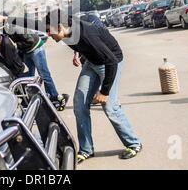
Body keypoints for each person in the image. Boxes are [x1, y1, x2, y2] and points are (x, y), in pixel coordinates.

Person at [45, 9, 142, 163]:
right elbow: (31, 23)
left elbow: (111, 62)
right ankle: (86, 149)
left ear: (60, 26)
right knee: (79, 104)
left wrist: (104, 92)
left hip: (110, 63)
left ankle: (134, 143)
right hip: (91, 62)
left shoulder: (87, 35)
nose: (49, 35)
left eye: (50, 31)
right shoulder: (66, 29)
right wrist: (5, 20)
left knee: (110, 107)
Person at [0, 19, 69, 110]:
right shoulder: (0, 30)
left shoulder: (15, 27)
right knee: (29, 78)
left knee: (44, 75)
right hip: (26, 51)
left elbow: (30, 40)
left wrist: (16, 45)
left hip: (36, 47)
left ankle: (55, 98)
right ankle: (37, 99)